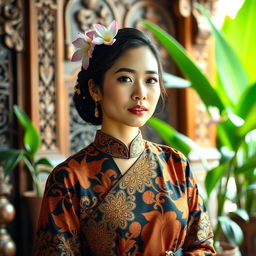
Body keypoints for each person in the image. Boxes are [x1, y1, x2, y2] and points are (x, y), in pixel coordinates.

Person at [33, 20, 215, 256]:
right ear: (95, 89)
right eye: (125, 79)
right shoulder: (69, 179)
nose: (140, 94)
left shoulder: (176, 164)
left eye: (150, 80)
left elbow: (202, 246)